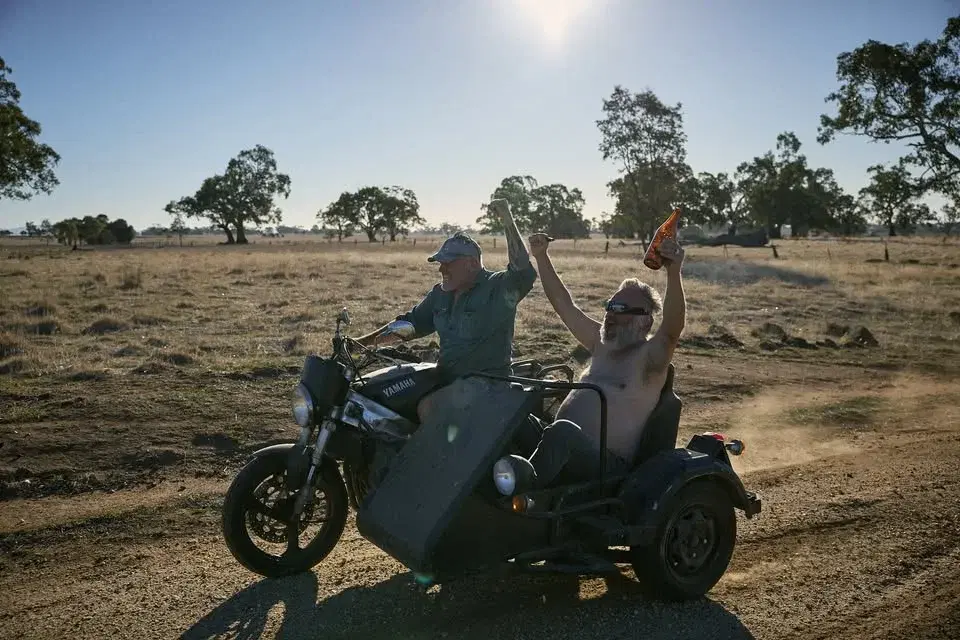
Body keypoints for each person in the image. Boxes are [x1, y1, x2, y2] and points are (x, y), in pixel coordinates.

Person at [521, 232, 687, 487]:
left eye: (620, 309)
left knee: (562, 432)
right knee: (511, 415)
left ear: (646, 321)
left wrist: (673, 271)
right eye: (610, 306)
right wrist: (541, 256)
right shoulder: (601, 343)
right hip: (558, 445)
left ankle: (520, 494)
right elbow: (563, 304)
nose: (610, 314)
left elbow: (672, 328)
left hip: (606, 467)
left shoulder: (650, 358)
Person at [355, 199, 538, 422]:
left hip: (487, 384)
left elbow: (522, 272)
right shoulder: (439, 294)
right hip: (447, 379)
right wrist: (360, 343)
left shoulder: (497, 288)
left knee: (428, 407)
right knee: (394, 398)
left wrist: (508, 220)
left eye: (448, 263)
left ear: (471, 264)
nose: (442, 269)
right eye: (440, 262)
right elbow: (411, 324)